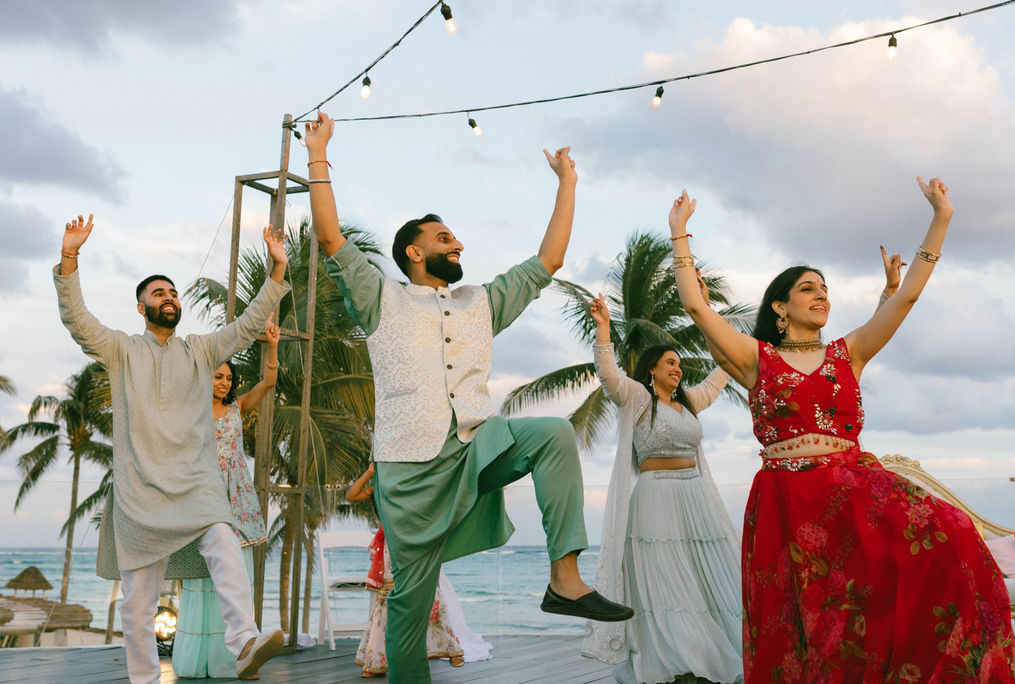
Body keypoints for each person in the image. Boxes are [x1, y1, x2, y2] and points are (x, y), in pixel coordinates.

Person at [301, 112, 631, 683]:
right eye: (443, 237)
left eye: (455, 236)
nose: (457, 243)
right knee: (409, 605)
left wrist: (567, 184)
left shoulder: (482, 300)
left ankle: (564, 578)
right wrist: (319, 154)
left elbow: (547, 261)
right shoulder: (379, 297)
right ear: (412, 252)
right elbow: (331, 238)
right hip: (409, 471)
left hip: (475, 446)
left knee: (552, 433)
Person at [667, 180, 1015, 681]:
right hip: (786, 503)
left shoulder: (847, 353)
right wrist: (679, 234)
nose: (822, 297)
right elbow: (696, 309)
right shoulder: (756, 358)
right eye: (808, 289)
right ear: (780, 307)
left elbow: (908, 299)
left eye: (826, 290)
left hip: (853, 496)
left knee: (954, 536)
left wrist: (941, 217)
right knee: (800, 627)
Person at [54, 215, 289, 683]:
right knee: (138, 602)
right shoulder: (120, 349)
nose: (169, 298)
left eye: (173, 292)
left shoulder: (201, 350)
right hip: (140, 492)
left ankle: (244, 640)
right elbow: (77, 322)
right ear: (141, 308)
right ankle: (143, 678)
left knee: (224, 541)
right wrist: (70, 257)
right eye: (159, 293)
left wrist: (277, 269)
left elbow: (245, 327)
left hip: (196, 483)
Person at [581, 291, 743, 684]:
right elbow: (608, 375)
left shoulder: (690, 402)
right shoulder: (636, 397)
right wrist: (604, 329)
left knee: (705, 575)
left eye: (680, 364)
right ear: (651, 368)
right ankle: (676, 656)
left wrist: (712, 321)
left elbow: (721, 372)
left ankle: (714, 650)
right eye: (670, 363)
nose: (678, 369)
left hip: (694, 495)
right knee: (666, 577)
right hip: (654, 496)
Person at [172, 317, 280, 679]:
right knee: (205, 575)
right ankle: (204, 657)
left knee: (237, 572)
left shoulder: (238, 408)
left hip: (238, 497)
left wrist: (272, 345)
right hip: (205, 493)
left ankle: (240, 655)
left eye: (228, 378)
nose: (224, 383)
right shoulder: (192, 412)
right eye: (218, 377)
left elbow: (269, 382)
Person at [347, 465, 494, 677]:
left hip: (416, 542)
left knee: (430, 595)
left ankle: (449, 647)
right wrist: (370, 473)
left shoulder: (411, 487)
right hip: (392, 545)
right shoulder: (378, 487)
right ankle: (376, 660)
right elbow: (351, 495)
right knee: (388, 598)